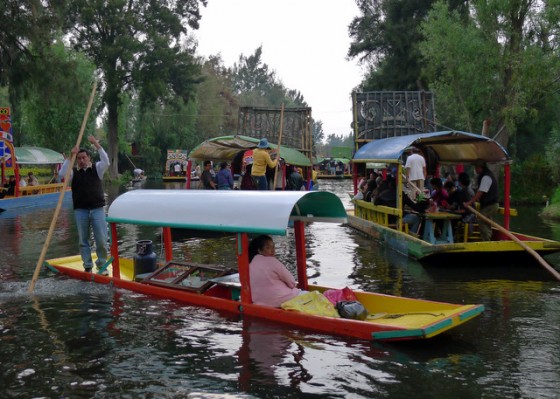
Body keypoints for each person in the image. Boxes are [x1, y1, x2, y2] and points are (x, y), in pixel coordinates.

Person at [59, 135, 110, 274]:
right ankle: (87, 265)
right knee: (83, 240)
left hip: (97, 209)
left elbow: (107, 162)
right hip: (80, 210)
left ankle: (101, 264)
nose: (81, 160)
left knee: (101, 239)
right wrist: (70, 156)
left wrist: (96, 145)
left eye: (84, 158)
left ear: (89, 158)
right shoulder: (73, 173)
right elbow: (62, 173)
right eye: (79, 158)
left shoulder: (97, 169)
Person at [248, 234, 301, 307]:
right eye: (268, 247)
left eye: (273, 247)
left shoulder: (249, 265)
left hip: (260, 303)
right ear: (259, 250)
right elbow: (292, 283)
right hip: (284, 300)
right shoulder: (272, 261)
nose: (273, 250)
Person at [465, 160, 499, 241]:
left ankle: (486, 241)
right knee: (485, 223)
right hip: (488, 204)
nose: (475, 170)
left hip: (490, 205)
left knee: (483, 223)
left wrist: (470, 202)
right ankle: (486, 240)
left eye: (476, 168)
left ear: (480, 167)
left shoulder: (486, 177)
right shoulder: (485, 175)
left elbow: (481, 192)